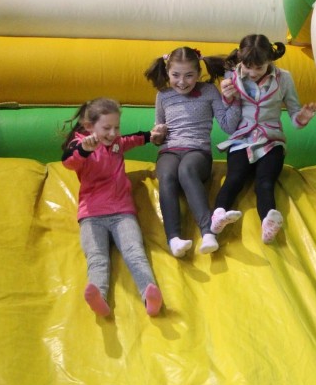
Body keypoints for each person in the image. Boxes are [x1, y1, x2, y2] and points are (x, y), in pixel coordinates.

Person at [62, 97, 167, 317]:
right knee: (97, 257)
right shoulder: (81, 145)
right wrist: (84, 150)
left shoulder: (117, 143)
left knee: (134, 252)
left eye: (116, 127)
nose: (112, 133)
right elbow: (69, 161)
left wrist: (152, 135)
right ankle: (98, 295)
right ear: (89, 126)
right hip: (92, 215)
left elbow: (135, 138)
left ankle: (149, 295)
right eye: (106, 128)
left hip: (122, 212)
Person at [210, 34, 316, 245]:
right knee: (234, 177)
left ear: (270, 59)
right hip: (242, 138)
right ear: (240, 58)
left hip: (271, 139)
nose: (252, 73)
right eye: (247, 67)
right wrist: (227, 97)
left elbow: (294, 116)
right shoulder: (232, 76)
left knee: (265, 182)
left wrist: (302, 118)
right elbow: (228, 116)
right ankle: (218, 214)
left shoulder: (284, 78)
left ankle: (268, 221)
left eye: (258, 68)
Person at [144, 45, 242, 257]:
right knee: (167, 175)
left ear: (198, 73)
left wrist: (234, 100)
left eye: (189, 75)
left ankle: (208, 232)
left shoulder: (208, 91)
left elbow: (228, 126)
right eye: (176, 75)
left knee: (186, 170)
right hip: (169, 150)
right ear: (168, 73)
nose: (182, 81)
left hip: (197, 152)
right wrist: (157, 135)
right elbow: (158, 134)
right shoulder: (163, 95)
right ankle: (174, 239)